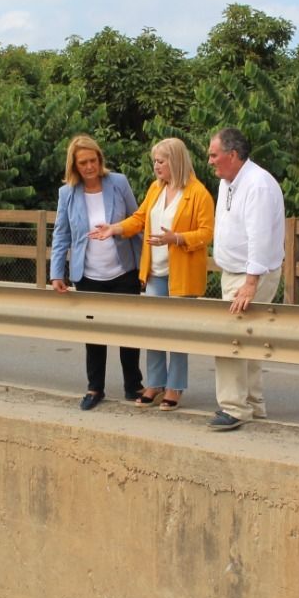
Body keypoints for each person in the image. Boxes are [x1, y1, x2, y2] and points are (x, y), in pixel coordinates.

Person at [89, 137, 214, 411]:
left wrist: (177, 238)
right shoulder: (156, 188)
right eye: (154, 161)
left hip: (182, 275)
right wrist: (114, 228)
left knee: (177, 333)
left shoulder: (198, 193)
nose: (156, 166)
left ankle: (175, 387)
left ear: (175, 161)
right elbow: (139, 219)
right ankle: (155, 383)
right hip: (156, 272)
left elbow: (207, 233)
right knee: (155, 331)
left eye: (160, 161)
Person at [50, 134, 144, 410]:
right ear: (74, 165)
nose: (90, 166)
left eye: (93, 160)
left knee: (128, 332)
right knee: (94, 335)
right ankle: (95, 388)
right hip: (88, 274)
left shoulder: (119, 182)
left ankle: (133, 385)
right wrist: (57, 272)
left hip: (123, 270)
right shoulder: (67, 193)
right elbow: (61, 234)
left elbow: (136, 221)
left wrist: (144, 267)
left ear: (100, 160)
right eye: (83, 163)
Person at [204, 126, 285, 431]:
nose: (210, 161)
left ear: (233, 154)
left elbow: (259, 238)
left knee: (231, 339)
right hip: (235, 272)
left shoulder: (257, 185)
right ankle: (251, 403)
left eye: (214, 155)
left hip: (251, 275)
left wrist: (250, 283)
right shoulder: (228, 181)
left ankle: (234, 408)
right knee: (248, 338)